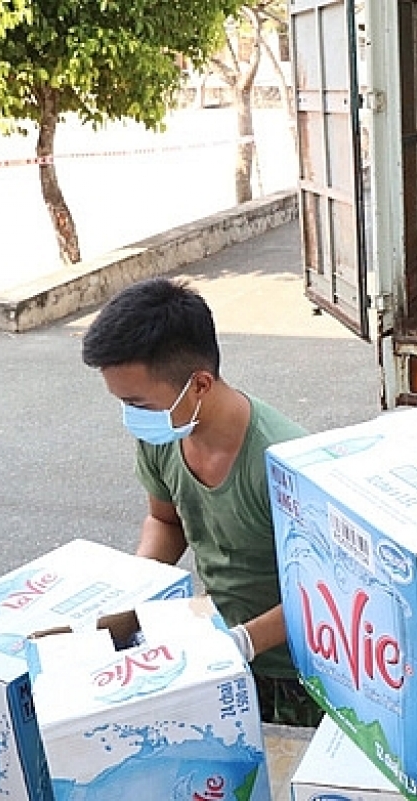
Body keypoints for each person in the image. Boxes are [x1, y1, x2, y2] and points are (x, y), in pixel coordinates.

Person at [81, 277, 322, 726]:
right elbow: (165, 521)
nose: (131, 417)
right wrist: (134, 589)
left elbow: (327, 591)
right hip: (220, 650)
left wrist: (244, 642)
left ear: (199, 385)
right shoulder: (164, 434)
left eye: (137, 403)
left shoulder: (286, 465)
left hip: (301, 673)